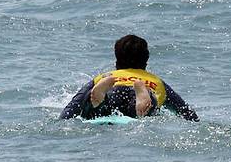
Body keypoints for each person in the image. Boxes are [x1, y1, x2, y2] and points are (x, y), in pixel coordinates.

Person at [60, 34, 198, 121]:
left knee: (96, 108)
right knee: (147, 109)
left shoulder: (104, 77)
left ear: (116, 60)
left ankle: (99, 100)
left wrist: (64, 118)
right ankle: (143, 102)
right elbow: (186, 112)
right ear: (146, 61)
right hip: (141, 90)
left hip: (113, 89)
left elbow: (72, 107)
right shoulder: (156, 81)